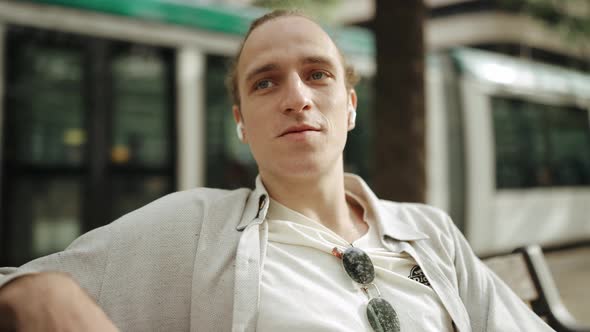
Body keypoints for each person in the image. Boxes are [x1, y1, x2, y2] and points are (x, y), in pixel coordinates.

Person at [0, 10, 553, 332]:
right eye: (265, 82)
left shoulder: (429, 232)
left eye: (317, 75)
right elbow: (13, 288)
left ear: (351, 106)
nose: (297, 99)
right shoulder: (194, 228)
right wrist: (40, 292)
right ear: (240, 121)